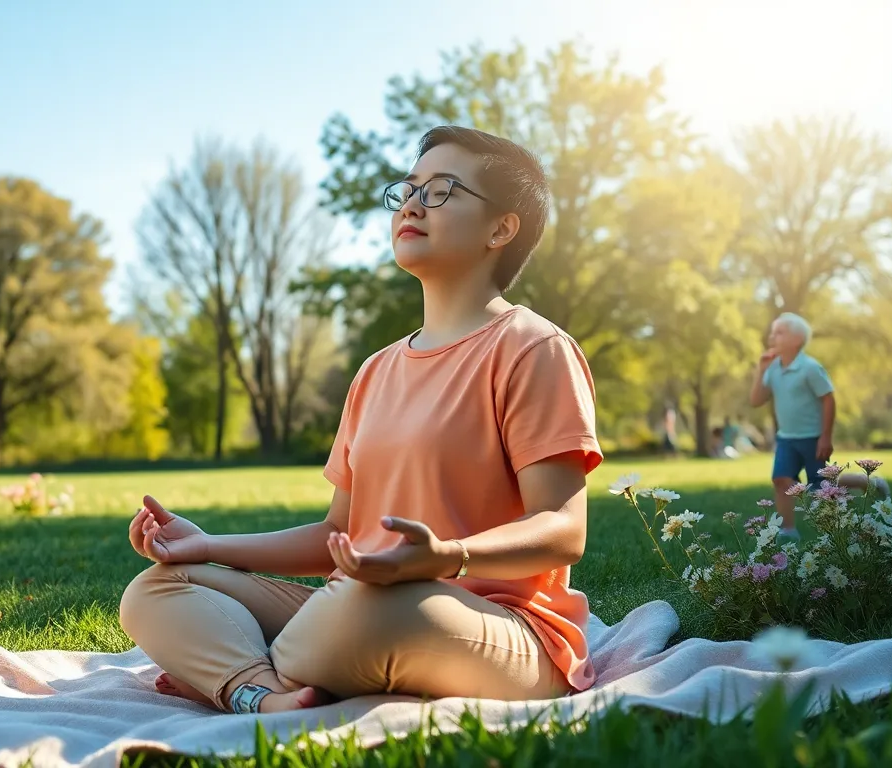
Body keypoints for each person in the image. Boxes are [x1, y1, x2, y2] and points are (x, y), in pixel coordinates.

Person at [119, 126, 603, 715]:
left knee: (363, 611)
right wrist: (208, 545)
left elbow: (562, 529)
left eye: (442, 191)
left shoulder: (534, 348)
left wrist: (446, 557)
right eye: (409, 189)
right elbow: (336, 535)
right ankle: (266, 695)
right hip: (351, 607)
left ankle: (230, 669)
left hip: (491, 627)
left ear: (501, 229)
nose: (413, 205)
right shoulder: (376, 370)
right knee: (158, 589)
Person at [749, 312, 886, 536]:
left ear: (797, 340)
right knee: (781, 479)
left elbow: (828, 399)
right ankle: (788, 530)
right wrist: (761, 370)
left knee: (821, 487)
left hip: (813, 438)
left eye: (779, 332)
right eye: (772, 332)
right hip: (786, 438)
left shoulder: (810, 368)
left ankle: (866, 481)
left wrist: (825, 437)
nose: (772, 337)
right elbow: (756, 400)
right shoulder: (773, 368)